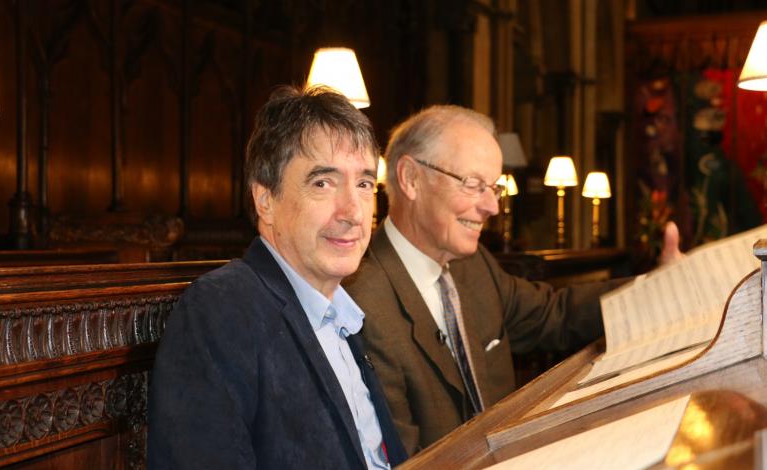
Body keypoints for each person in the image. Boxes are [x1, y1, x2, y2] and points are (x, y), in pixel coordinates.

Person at [343, 105, 682, 455]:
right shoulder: (362, 304)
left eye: (494, 188)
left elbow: (556, 314)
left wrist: (658, 286)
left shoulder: (474, 266)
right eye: (473, 184)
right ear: (411, 178)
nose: (492, 206)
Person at [148, 86, 407, 469]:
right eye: (323, 183)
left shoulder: (342, 314)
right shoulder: (220, 311)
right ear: (265, 200)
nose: (353, 211)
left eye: (365, 184)